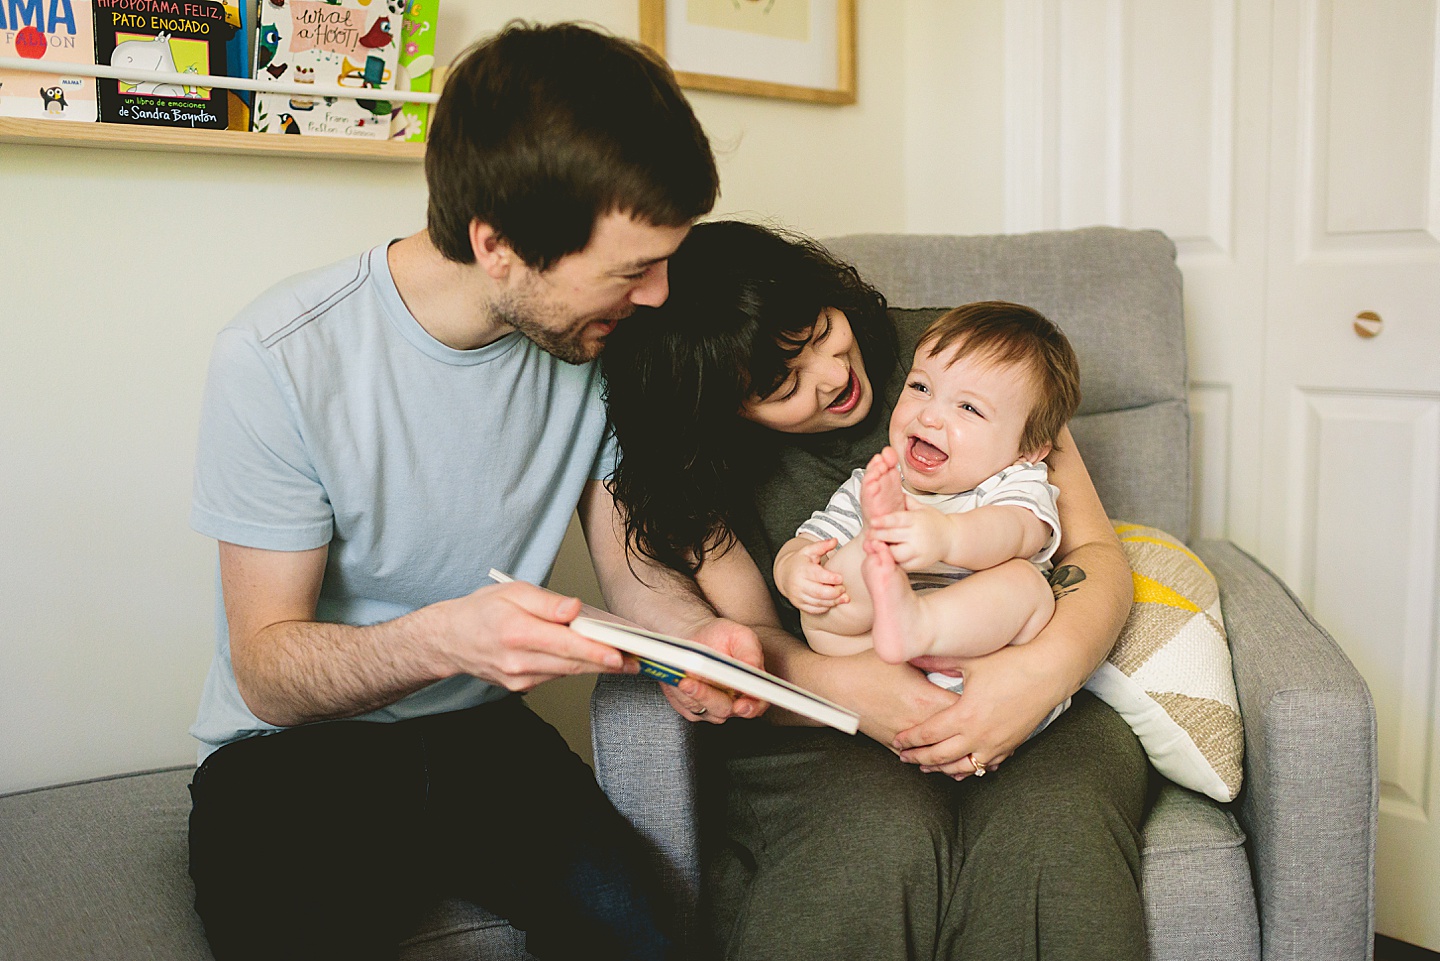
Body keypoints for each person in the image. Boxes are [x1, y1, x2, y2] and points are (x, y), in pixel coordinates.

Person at [186, 23, 767, 961]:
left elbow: (639, 578)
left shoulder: (597, 344)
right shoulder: (281, 358)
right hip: (291, 759)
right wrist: (446, 636)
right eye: (632, 269)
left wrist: (697, 648)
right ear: (498, 245)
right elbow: (266, 669)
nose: (660, 295)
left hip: (483, 741)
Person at [602, 220, 1153, 960]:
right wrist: (874, 695)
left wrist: (1038, 674)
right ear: (723, 407)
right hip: (829, 716)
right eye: (781, 385)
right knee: (872, 838)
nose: (830, 375)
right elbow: (761, 638)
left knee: (1060, 823)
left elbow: (1090, 551)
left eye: (820, 332)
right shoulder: (700, 470)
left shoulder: (966, 355)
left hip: (1023, 669)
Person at [775, 303, 1080, 732]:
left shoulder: (1015, 482)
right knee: (827, 600)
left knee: (1027, 586)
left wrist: (947, 536)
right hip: (874, 661)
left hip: (986, 666)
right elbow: (813, 538)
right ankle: (874, 549)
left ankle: (920, 621)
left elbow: (1017, 532)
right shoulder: (878, 483)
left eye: (969, 409)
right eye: (920, 387)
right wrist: (794, 569)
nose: (930, 415)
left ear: (1029, 448)